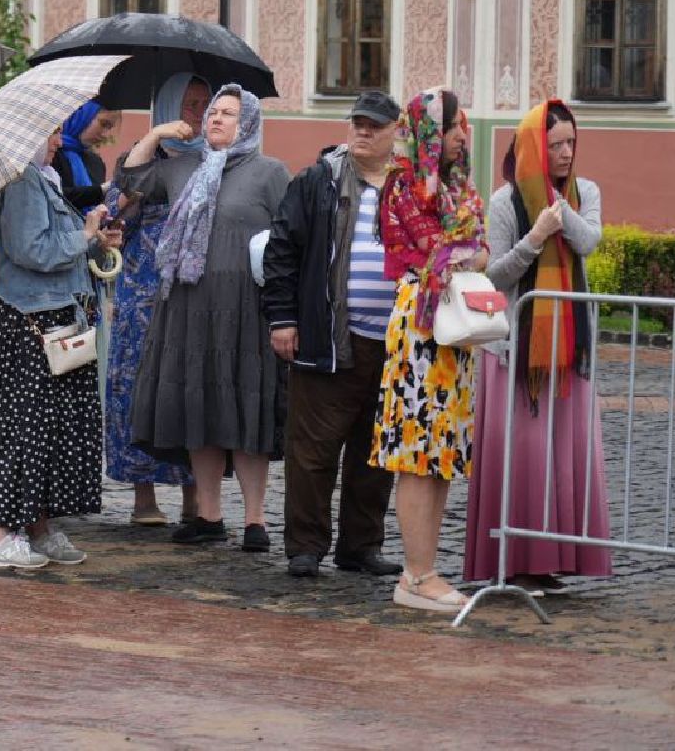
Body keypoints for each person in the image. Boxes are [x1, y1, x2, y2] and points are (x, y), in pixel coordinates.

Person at [120, 85, 289, 549]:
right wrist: (155, 133)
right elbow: (130, 180)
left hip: (244, 312)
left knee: (245, 412)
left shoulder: (269, 173)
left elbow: (291, 240)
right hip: (188, 308)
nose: (215, 118)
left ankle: (256, 520)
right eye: (212, 111)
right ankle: (209, 515)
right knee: (199, 407)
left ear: (248, 123)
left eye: (228, 113)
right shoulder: (182, 168)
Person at [466, 100, 609, 594]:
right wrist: (534, 237)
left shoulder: (585, 192)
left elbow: (589, 240)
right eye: (555, 144)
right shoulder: (504, 201)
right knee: (524, 453)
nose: (567, 152)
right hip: (515, 349)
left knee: (566, 454)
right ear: (532, 147)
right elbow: (496, 273)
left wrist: (560, 212)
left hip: (571, 348)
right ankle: (518, 559)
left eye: (571, 142)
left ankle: (558, 558)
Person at [264, 90, 405, 578]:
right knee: (312, 450)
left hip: (393, 343)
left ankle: (360, 547)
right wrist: (283, 319)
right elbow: (281, 249)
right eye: (358, 123)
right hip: (328, 337)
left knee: (374, 454)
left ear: (395, 133)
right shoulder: (317, 181)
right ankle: (305, 547)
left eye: (374, 125)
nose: (363, 131)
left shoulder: (409, 187)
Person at [0, 131, 115, 568]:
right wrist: (84, 235)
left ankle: (37, 525)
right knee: (22, 429)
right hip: (32, 321)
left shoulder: (44, 178)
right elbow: (30, 249)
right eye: (49, 132)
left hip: (59, 314)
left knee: (51, 431)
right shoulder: (22, 181)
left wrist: (95, 238)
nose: (55, 141)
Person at [371, 87, 488, 613]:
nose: (462, 135)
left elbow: (478, 247)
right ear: (426, 136)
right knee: (417, 455)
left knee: (440, 454)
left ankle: (425, 569)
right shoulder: (404, 186)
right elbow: (441, 250)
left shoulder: (455, 190)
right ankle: (415, 575)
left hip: (453, 330)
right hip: (421, 328)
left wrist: (466, 247)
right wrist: (466, 246)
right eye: (451, 128)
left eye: (461, 126)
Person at [103, 74, 204, 526]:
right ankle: (144, 499)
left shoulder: (213, 160)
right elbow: (117, 204)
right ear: (165, 108)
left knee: (189, 390)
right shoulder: (142, 157)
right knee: (137, 388)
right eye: (188, 105)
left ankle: (194, 498)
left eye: (205, 105)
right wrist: (156, 136)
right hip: (142, 291)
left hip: (191, 292)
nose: (196, 115)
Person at [52, 100, 120, 214]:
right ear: (82, 116)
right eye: (103, 124)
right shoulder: (51, 153)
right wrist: (101, 191)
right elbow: (54, 197)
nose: (106, 135)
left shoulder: (96, 162)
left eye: (110, 128)